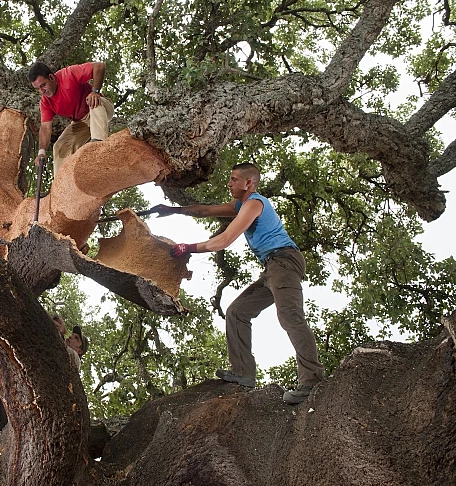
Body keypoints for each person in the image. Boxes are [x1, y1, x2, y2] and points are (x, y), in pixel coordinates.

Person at [156, 163, 325, 405]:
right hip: (271, 266)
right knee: (237, 312)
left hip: (285, 261)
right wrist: (173, 209)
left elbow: (223, 240)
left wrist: (188, 247)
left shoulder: (254, 203)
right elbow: (205, 210)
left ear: (249, 183)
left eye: (234, 179)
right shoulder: (239, 205)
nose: (229, 183)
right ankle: (243, 372)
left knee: (289, 315)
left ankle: (312, 380)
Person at [28, 61, 114, 175]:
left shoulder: (68, 74)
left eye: (43, 85)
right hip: (81, 122)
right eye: (38, 89)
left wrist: (95, 92)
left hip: (100, 108)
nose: (42, 91)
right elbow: (45, 127)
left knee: (92, 100)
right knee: (59, 146)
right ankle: (60, 184)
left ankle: (98, 146)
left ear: (51, 77)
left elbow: (100, 66)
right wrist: (41, 152)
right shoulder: (45, 102)